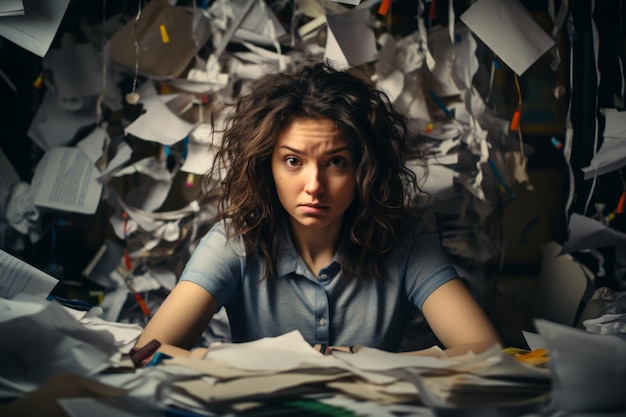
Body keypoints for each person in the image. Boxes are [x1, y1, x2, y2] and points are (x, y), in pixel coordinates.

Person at [135, 61, 501, 359]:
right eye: (293, 161)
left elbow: (485, 350)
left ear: (363, 168)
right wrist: (236, 362)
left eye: (336, 162)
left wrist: (359, 360)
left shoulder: (405, 242)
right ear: (268, 166)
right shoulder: (235, 242)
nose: (314, 186)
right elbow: (148, 352)